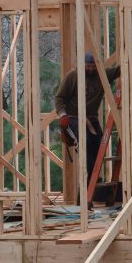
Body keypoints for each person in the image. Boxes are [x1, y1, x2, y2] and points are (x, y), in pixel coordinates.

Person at [54, 52, 121, 186]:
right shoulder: (73, 76)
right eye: (88, 66)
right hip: (73, 118)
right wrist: (62, 114)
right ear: (83, 65)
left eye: (93, 66)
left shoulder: (102, 75)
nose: (90, 69)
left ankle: (92, 179)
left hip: (91, 119)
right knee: (85, 143)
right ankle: (85, 184)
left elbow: (119, 69)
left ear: (97, 66)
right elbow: (59, 98)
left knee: (99, 145)